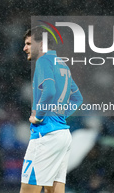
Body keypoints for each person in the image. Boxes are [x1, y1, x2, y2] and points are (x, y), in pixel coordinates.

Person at [20, 27, 83, 193]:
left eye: (28, 43)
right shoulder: (62, 65)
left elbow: (49, 91)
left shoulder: (43, 61)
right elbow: (77, 98)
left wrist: (39, 117)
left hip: (45, 136)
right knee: (54, 190)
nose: (24, 48)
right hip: (62, 135)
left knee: (28, 190)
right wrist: (59, 116)